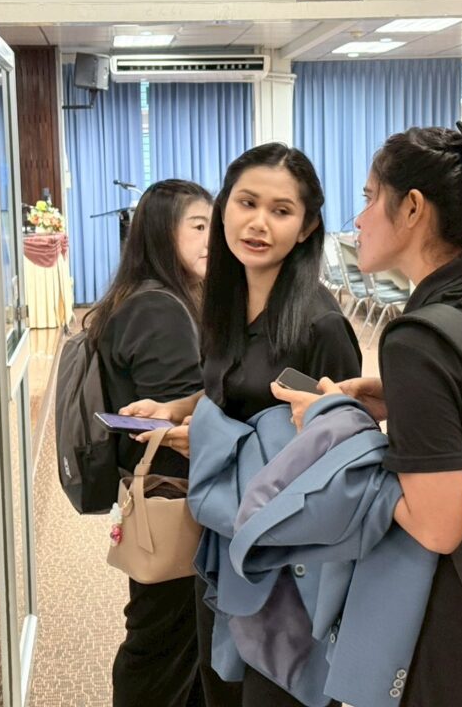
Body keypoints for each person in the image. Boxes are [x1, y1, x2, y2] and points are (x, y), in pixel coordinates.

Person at [271, 124, 462, 706]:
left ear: (411, 207)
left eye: (367, 198)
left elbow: (438, 524)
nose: (359, 221)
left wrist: (336, 430)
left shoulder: (418, 339)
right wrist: (397, 398)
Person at [123, 142, 362, 707]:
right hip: (224, 540)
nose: (258, 223)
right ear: (224, 207)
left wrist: (209, 443)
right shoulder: (224, 304)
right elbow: (233, 388)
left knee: (274, 693)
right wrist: (177, 408)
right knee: (220, 687)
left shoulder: (320, 327)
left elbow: (338, 462)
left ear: (306, 228)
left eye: (281, 211)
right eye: (247, 203)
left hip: (288, 563)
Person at [83, 178, 213, 707]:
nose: (213, 240)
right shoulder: (160, 309)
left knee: (166, 640)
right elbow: (175, 430)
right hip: (173, 502)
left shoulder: (141, 296)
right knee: (164, 644)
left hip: (155, 500)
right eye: (199, 227)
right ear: (162, 233)